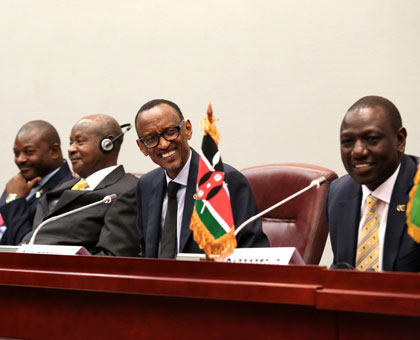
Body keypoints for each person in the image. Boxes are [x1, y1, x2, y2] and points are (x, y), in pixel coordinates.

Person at [134, 99, 269, 258]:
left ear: (188, 129)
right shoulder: (146, 185)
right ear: (142, 147)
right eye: (151, 139)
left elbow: (252, 252)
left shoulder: (223, 181)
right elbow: (144, 253)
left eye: (170, 132)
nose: (163, 144)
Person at [21, 114, 139, 257]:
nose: (71, 149)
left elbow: (113, 258)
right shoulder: (65, 187)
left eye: (80, 142)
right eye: (71, 143)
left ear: (107, 144)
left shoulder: (127, 190)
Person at [326, 95, 420, 272]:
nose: (358, 151)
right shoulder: (338, 193)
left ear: (400, 140)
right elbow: (342, 269)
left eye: (372, 139)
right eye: (347, 142)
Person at [0, 120, 73, 245]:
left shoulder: (67, 189)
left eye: (29, 152)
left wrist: (15, 201)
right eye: (16, 153)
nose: (20, 159)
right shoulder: (17, 184)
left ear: (54, 151)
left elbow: (29, 246)